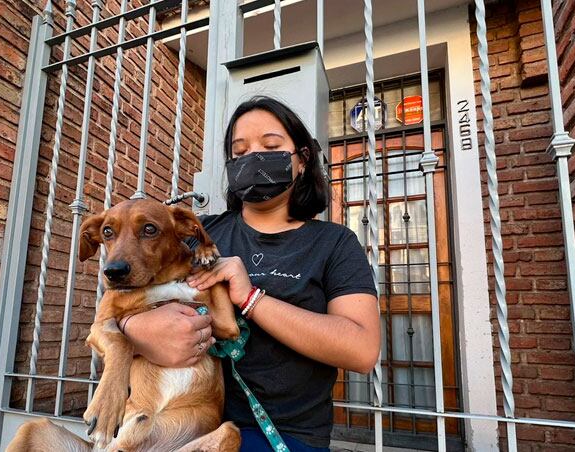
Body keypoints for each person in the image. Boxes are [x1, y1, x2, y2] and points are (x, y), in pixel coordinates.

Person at [119, 96, 380, 451]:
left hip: (284, 435)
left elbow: (361, 350)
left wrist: (250, 298)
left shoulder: (333, 244)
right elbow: (122, 297)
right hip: (178, 419)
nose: (252, 159)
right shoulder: (200, 235)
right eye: (239, 153)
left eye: (270, 146)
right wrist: (134, 328)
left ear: (301, 160)